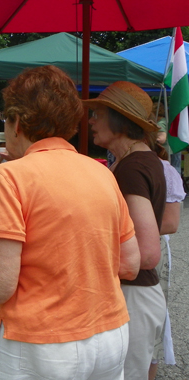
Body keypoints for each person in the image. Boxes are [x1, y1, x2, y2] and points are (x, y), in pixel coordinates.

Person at [0, 66, 140, 380]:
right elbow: (130, 263)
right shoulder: (102, 172)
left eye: (4, 119)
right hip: (109, 334)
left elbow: (0, 285)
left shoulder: (10, 176)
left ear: (16, 122)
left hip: (40, 344)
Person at [84, 81, 167, 380]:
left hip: (133, 296)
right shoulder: (135, 160)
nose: (91, 120)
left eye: (99, 113)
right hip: (134, 295)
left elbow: (146, 254)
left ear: (121, 119)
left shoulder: (132, 167)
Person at [148, 139, 185, 379]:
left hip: (151, 249)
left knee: (150, 320)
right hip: (119, 251)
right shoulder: (114, 167)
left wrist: (121, 230)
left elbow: (170, 223)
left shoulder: (164, 169)